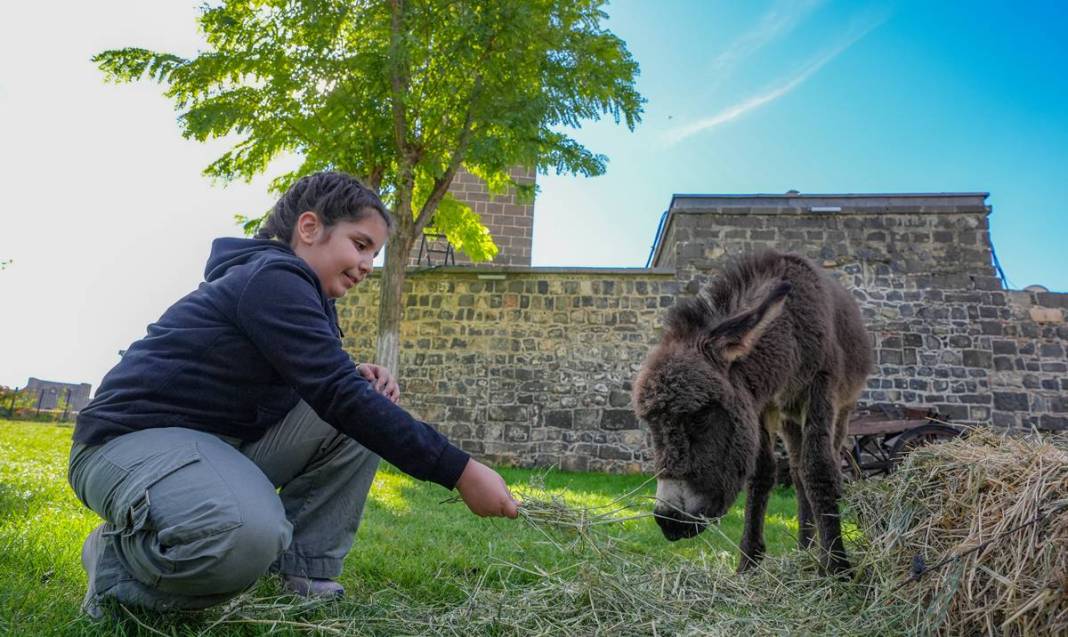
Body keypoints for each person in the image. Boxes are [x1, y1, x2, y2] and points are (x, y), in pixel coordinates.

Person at [68, 171, 518, 619]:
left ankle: (301, 572)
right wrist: (459, 470)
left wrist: (352, 374)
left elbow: (330, 387)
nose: (367, 265)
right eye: (360, 245)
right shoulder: (271, 277)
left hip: (219, 446)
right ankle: (115, 564)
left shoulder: (307, 297)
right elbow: (335, 392)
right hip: (125, 444)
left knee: (364, 403)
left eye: (375, 255)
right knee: (244, 535)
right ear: (309, 229)